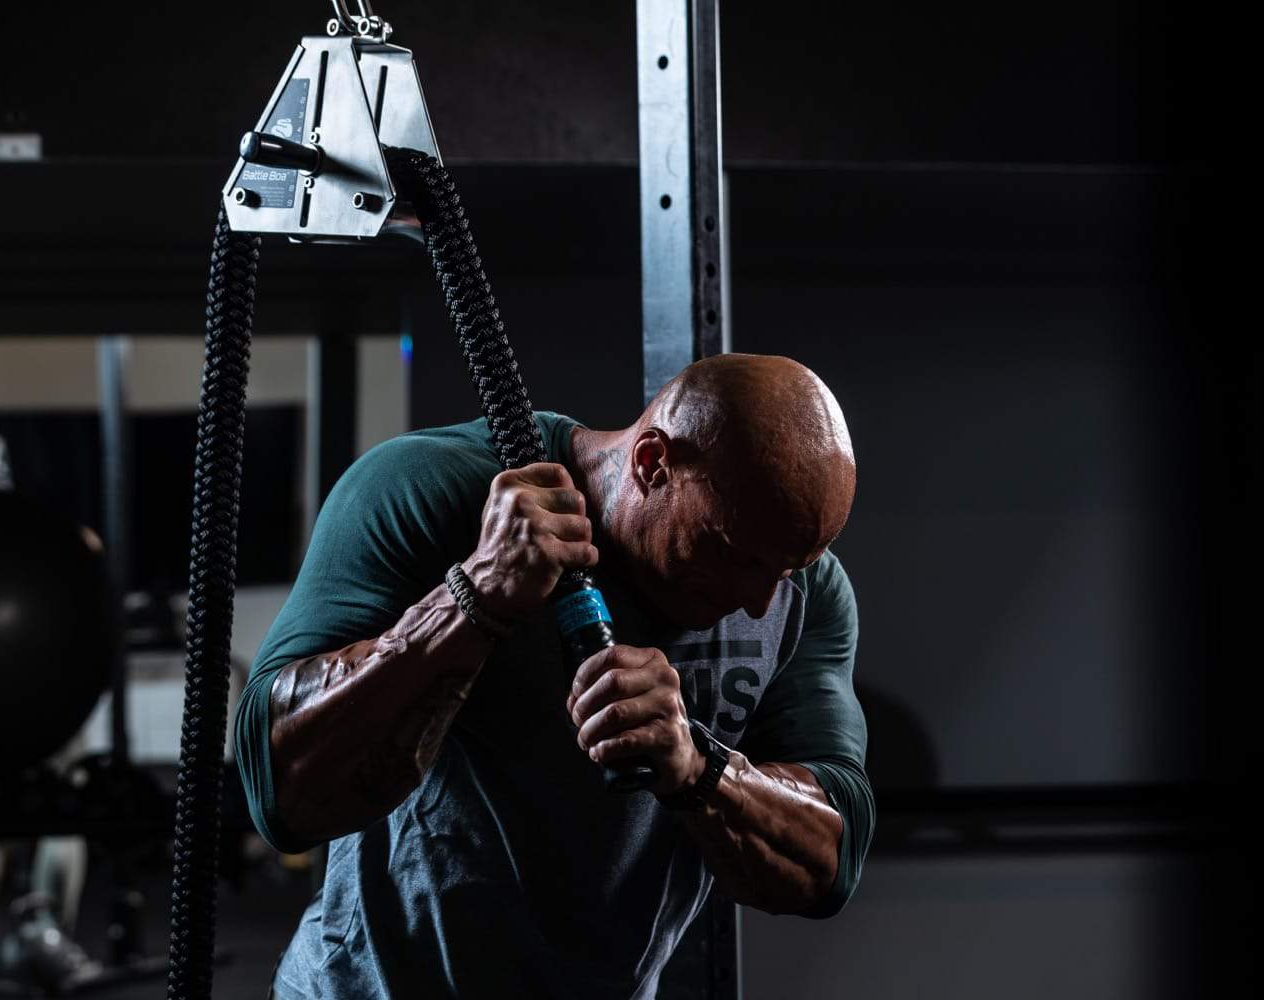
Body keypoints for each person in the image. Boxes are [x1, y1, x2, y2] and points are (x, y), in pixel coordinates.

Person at [236, 353, 874, 998]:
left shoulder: (804, 594)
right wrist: (473, 598)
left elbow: (830, 858)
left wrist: (697, 767)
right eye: (734, 553)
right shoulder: (432, 488)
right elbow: (282, 793)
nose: (758, 602)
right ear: (653, 462)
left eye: (789, 568)